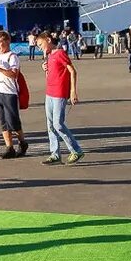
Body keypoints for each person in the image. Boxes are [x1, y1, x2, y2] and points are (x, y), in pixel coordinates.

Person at [40, 34, 83, 165]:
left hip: (59, 93)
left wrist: (73, 91)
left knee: (58, 124)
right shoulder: (49, 56)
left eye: (41, 45)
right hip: (49, 93)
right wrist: (45, 69)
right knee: (50, 125)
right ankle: (55, 154)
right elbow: (51, 75)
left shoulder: (59, 53)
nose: (41, 48)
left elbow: (72, 71)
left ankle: (76, 150)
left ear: (48, 40)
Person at [0, 31, 27, 158]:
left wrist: (0, 68)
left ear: (7, 42)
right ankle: (9, 147)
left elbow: (14, 74)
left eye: (0, 43)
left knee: (13, 121)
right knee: (3, 121)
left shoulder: (12, 57)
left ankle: (22, 142)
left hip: (9, 93)